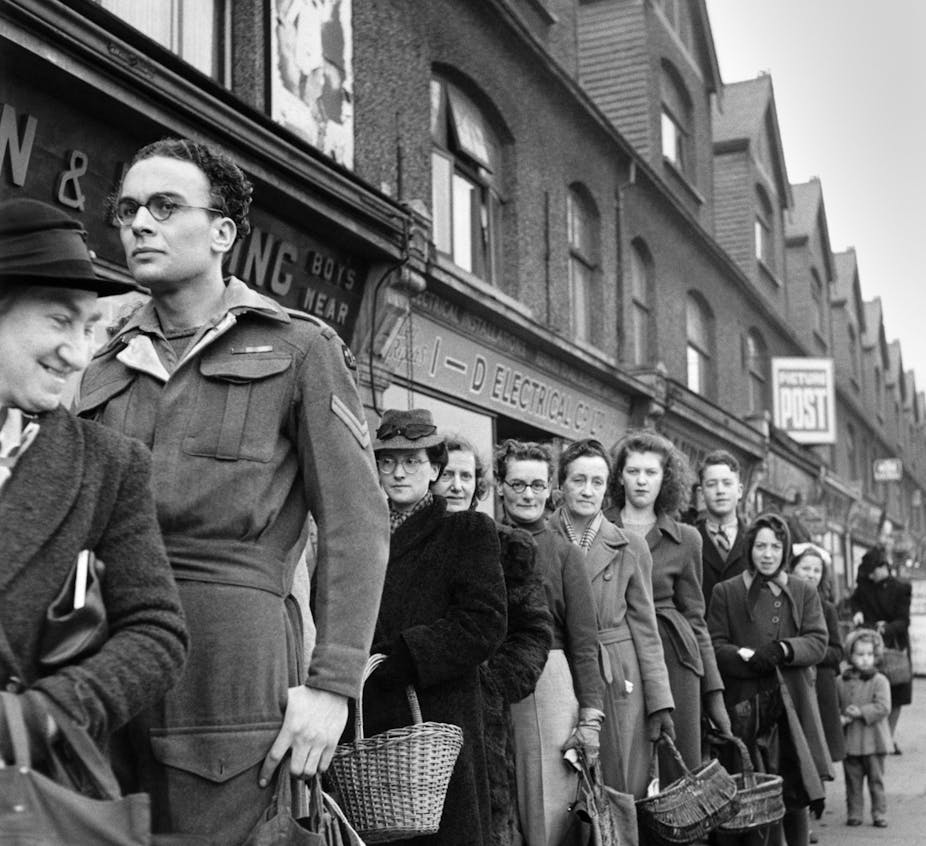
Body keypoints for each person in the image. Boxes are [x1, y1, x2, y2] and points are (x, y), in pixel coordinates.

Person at [76, 138, 389, 844]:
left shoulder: (298, 349)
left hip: (229, 663)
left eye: (163, 206)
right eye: (127, 209)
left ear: (223, 233)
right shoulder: (99, 354)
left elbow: (357, 525)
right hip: (96, 650)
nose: (139, 225)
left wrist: (334, 686)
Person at [0, 198, 188, 769]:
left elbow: (157, 634)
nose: (79, 353)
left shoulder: (108, 465)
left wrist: (42, 717)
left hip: (32, 792)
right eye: (60, 320)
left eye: (89, 328)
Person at [362, 409, 507, 845]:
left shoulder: (465, 530)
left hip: (438, 724)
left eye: (412, 461)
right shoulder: (360, 533)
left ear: (435, 468)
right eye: (387, 462)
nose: (398, 473)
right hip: (367, 721)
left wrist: (406, 656)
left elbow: (485, 622)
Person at [431, 433, 553, 846]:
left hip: (482, 719)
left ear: (480, 485)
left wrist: (493, 682)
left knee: (485, 824)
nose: (457, 485)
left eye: (467, 476)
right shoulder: (408, 541)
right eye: (447, 474)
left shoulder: (509, 547)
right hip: (418, 714)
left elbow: (534, 631)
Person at [549, 437, 675, 799]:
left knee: (619, 785)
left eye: (597, 482)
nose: (587, 491)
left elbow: (646, 631)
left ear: (608, 488)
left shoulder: (628, 546)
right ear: (561, 485)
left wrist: (660, 702)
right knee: (563, 790)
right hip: (559, 667)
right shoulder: (541, 540)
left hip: (617, 676)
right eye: (578, 480)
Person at [496, 438, 605, 846]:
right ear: (500, 485)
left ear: (550, 491)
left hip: (548, 685)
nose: (528, 494)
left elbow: (584, 643)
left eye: (537, 485)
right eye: (518, 484)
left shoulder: (564, 554)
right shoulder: (482, 539)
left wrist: (590, 717)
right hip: (488, 679)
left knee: (546, 809)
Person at [605, 430, 730, 777]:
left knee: (678, 767)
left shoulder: (687, 538)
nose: (642, 481)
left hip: (675, 657)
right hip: (619, 651)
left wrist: (714, 693)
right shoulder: (601, 529)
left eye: (651, 472)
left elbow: (696, 617)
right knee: (625, 763)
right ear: (618, 476)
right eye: (633, 471)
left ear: (666, 478)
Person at [708, 513, 832, 846]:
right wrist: (746, 657)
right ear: (749, 548)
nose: (767, 554)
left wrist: (782, 649)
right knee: (751, 792)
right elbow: (714, 645)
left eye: (775, 547)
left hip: (791, 708)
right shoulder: (727, 592)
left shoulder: (803, 591)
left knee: (793, 788)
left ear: (785, 549)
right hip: (746, 706)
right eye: (760, 546)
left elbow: (818, 641)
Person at [849, 545, 912, 755]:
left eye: (873, 571)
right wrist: (857, 612)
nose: (871, 575)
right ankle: (876, 737)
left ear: (884, 567)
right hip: (868, 646)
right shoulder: (865, 585)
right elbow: (854, 600)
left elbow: (904, 621)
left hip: (894, 648)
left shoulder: (901, 588)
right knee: (871, 691)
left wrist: (886, 628)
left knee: (897, 695)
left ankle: (889, 738)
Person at [790, 543, 845, 765]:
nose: (811, 575)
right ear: (792, 569)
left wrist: (808, 652)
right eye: (806, 568)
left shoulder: (827, 609)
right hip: (791, 685)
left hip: (820, 686)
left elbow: (837, 652)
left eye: (816, 570)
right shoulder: (781, 602)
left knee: (818, 753)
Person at [836, 628, 892, 828]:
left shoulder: (880, 680)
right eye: (860, 654)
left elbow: (884, 707)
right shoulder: (840, 681)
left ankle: (879, 812)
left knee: (876, 781)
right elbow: (835, 707)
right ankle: (854, 813)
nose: (865, 659)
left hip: (874, 742)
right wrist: (841, 719)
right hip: (851, 743)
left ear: (876, 655)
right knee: (853, 782)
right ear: (850, 655)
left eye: (869, 654)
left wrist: (861, 712)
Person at [695, 450, 750, 609]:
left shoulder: (756, 541)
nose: (720, 491)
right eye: (711, 484)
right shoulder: (688, 542)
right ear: (701, 494)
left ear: (739, 491)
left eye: (727, 483)